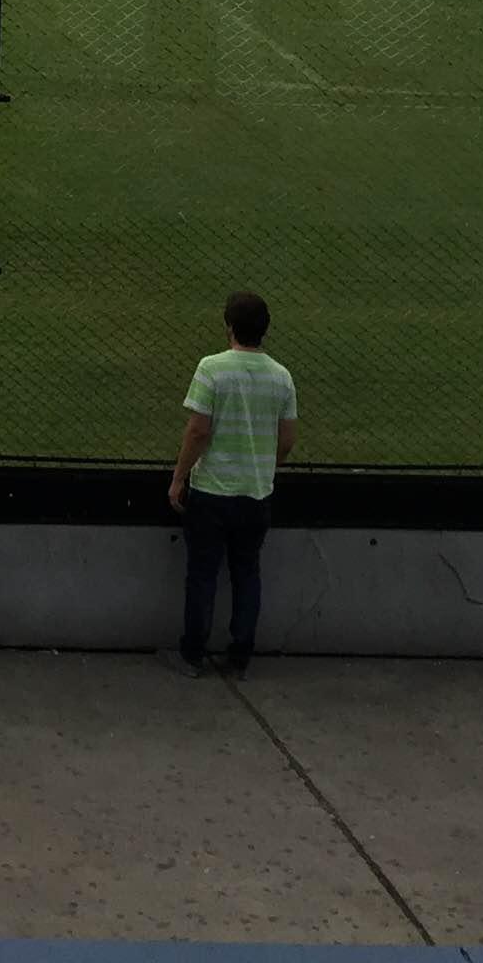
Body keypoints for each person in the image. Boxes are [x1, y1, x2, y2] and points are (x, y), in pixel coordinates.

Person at [168, 290, 297, 679]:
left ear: (229, 327)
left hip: (211, 491)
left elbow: (198, 430)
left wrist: (178, 477)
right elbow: (287, 438)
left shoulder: (212, 368)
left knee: (203, 574)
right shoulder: (281, 377)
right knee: (247, 572)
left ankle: (193, 653)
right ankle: (240, 655)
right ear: (265, 330)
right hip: (256, 493)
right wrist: (263, 466)